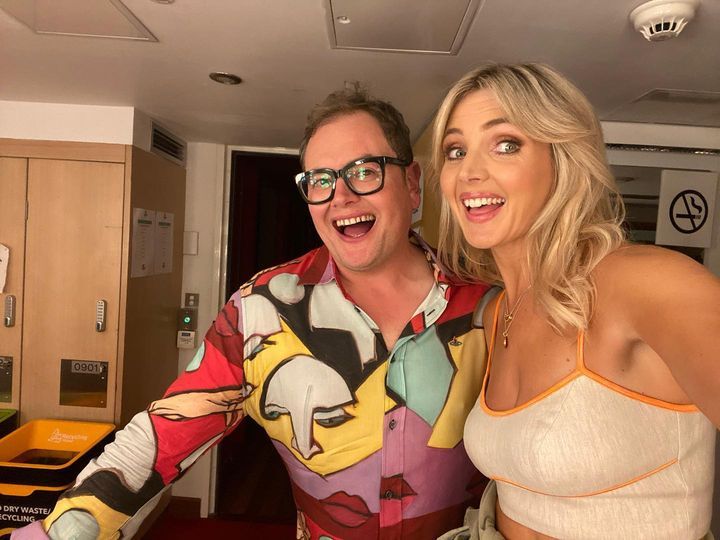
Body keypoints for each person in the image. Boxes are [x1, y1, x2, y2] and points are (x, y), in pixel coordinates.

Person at [12, 87, 492, 540]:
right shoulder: (261, 309)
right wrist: (58, 531)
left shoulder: (490, 304)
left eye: (364, 171)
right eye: (320, 180)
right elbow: (163, 434)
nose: (340, 196)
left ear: (412, 184)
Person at [432, 62, 720, 540]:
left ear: (562, 158)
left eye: (506, 144)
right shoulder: (501, 311)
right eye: (456, 150)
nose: (470, 172)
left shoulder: (643, 282)